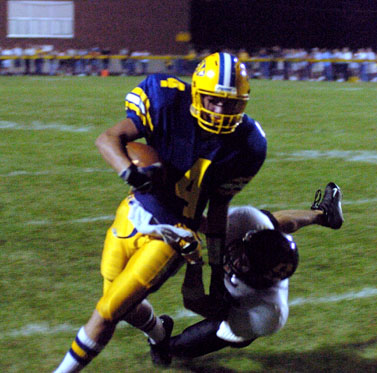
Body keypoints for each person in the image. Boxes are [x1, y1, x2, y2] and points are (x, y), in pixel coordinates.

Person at [53, 52, 266, 372]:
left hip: (174, 235)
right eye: (213, 101)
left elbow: (219, 208)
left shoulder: (247, 144)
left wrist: (217, 268)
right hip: (133, 211)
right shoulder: (166, 101)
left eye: (231, 104)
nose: (221, 111)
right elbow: (108, 139)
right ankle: (159, 332)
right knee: (120, 302)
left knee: (107, 311)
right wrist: (131, 172)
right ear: (196, 93)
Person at [148, 182, 343, 365]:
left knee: (183, 346)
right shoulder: (248, 221)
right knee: (267, 221)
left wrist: (194, 262)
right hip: (257, 237)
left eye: (244, 261)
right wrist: (173, 208)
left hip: (241, 309)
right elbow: (208, 225)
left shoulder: (269, 312)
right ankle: (322, 215)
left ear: (259, 276)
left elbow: (194, 302)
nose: (236, 258)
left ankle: (168, 347)